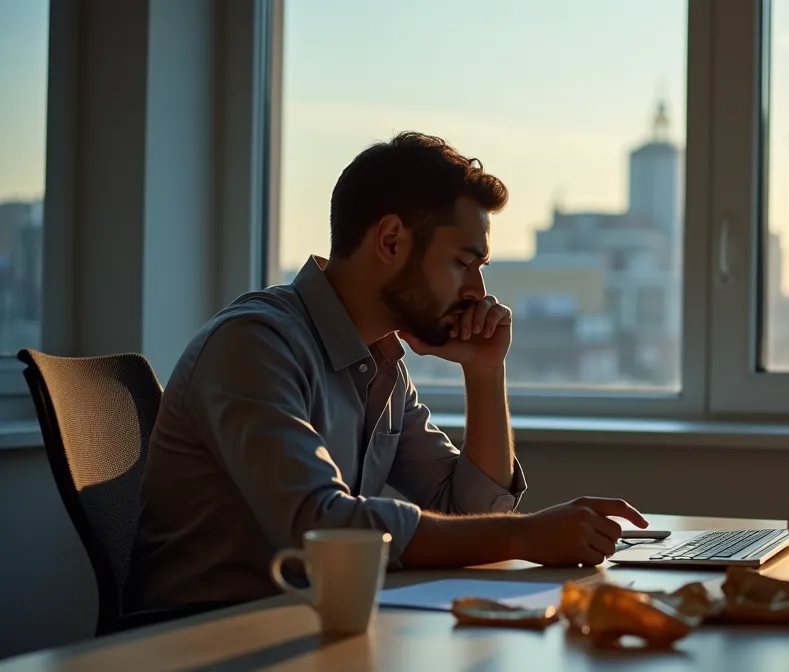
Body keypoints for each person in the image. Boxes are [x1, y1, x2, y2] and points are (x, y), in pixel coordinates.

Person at [125, 132, 647, 611]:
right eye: (463, 263)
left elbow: (469, 514)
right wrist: (523, 536)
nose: (477, 294)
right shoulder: (253, 345)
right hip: (204, 644)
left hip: (313, 629)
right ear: (392, 240)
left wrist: (485, 374)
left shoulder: (380, 366)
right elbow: (319, 526)